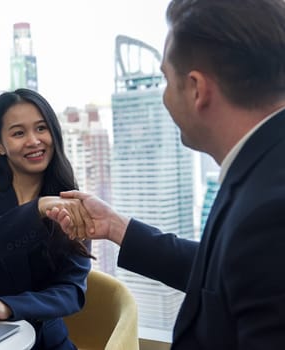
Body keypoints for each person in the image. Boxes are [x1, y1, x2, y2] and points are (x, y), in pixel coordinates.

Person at [46, 0, 285, 348]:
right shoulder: (262, 169)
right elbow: (224, 272)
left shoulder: (269, 211)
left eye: (165, 80)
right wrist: (116, 227)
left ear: (197, 89)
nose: (164, 96)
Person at [0, 88, 93, 350]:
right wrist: (36, 209)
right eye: (18, 133)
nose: (33, 141)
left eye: (41, 128)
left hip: (44, 341)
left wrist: (8, 306)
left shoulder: (72, 204)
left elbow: (71, 292)